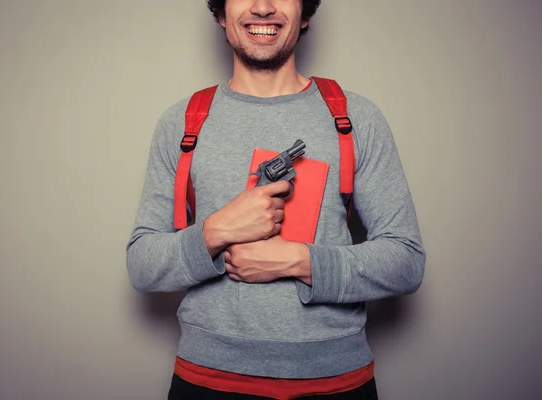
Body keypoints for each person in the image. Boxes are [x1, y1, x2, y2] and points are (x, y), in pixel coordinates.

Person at [126, 0, 426, 398]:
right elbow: (142, 265)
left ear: (304, 13)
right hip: (207, 380)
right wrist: (216, 232)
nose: (263, 7)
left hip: (335, 381)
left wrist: (296, 261)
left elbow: (406, 262)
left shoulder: (357, 118)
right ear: (220, 13)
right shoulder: (182, 123)